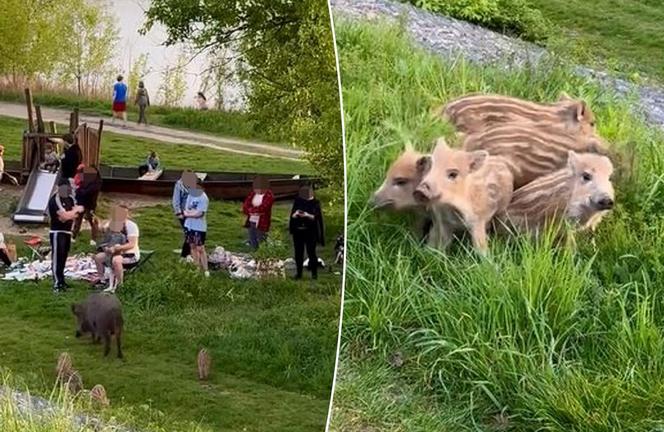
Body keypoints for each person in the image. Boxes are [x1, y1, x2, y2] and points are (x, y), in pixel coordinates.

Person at [92, 205, 140, 293]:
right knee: (98, 257)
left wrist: (117, 248)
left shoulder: (131, 226)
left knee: (116, 260)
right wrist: (106, 248)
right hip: (112, 251)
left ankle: (120, 285)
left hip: (129, 253)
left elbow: (131, 244)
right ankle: (103, 280)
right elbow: (105, 239)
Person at [48, 181, 84, 293]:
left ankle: (62, 281)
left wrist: (71, 214)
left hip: (68, 231)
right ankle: (56, 284)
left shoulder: (70, 198)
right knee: (57, 257)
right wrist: (73, 213)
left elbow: (80, 209)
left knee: (63, 257)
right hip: (57, 231)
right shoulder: (55, 200)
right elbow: (64, 217)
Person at [289, 185, 325, 280]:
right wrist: (296, 214)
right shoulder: (298, 201)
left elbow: (316, 217)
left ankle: (314, 275)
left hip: (310, 231)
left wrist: (307, 215)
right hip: (298, 231)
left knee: (311, 252)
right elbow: (292, 216)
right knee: (298, 253)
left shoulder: (315, 203)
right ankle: (299, 273)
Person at [183, 179, 210, 277]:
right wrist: (190, 214)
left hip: (199, 227)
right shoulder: (190, 195)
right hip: (189, 225)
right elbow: (186, 210)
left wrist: (190, 214)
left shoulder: (203, 198)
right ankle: (196, 267)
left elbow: (199, 214)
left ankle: (206, 270)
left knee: (200, 248)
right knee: (192, 246)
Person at [242, 176, 274, 250]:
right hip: (251, 220)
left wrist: (252, 210)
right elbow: (246, 204)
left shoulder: (269, 195)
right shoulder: (253, 193)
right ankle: (254, 254)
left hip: (262, 222)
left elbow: (264, 207)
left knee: (261, 240)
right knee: (252, 238)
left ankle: (263, 257)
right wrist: (250, 210)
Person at [72, 166, 102, 245]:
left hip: (90, 205)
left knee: (92, 221)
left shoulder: (96, 182)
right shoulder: (85, 180)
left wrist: (80, 190)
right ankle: (73, 236)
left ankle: (94, 239)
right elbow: (78, 187)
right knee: (77, 220)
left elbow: (87, 191)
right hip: (81, 203)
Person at [172, 171, 192, 260]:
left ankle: (188, 254)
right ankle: (184, 256)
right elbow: (176, 200)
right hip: (183, 213)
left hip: (192, 213)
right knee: (189, 234)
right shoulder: (179, 186)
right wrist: (178, 213)